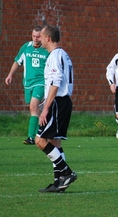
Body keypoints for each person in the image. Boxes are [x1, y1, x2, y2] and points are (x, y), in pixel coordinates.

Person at [35, 25, 76, 193]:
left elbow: (55, 83)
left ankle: (66, 172)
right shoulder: (63, 54)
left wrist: (46, 108)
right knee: (55, 142)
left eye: (40, 36)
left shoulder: (54, 56)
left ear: (48, 38)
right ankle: (60, 182)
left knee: (40, 140)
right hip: (62, 102)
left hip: (58, 103)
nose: (38, 39)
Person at [5, 26, 49, 145]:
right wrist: (10, 75)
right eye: (34, 36)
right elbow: (17, 61)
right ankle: (45, 133)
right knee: (35, 110)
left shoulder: (46, 49)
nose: (36, 39)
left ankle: (31, 137)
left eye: (38, 36)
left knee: (33, 107)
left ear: (43, 37)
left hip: (40, 82)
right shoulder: (26, 47)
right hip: (28, 83)